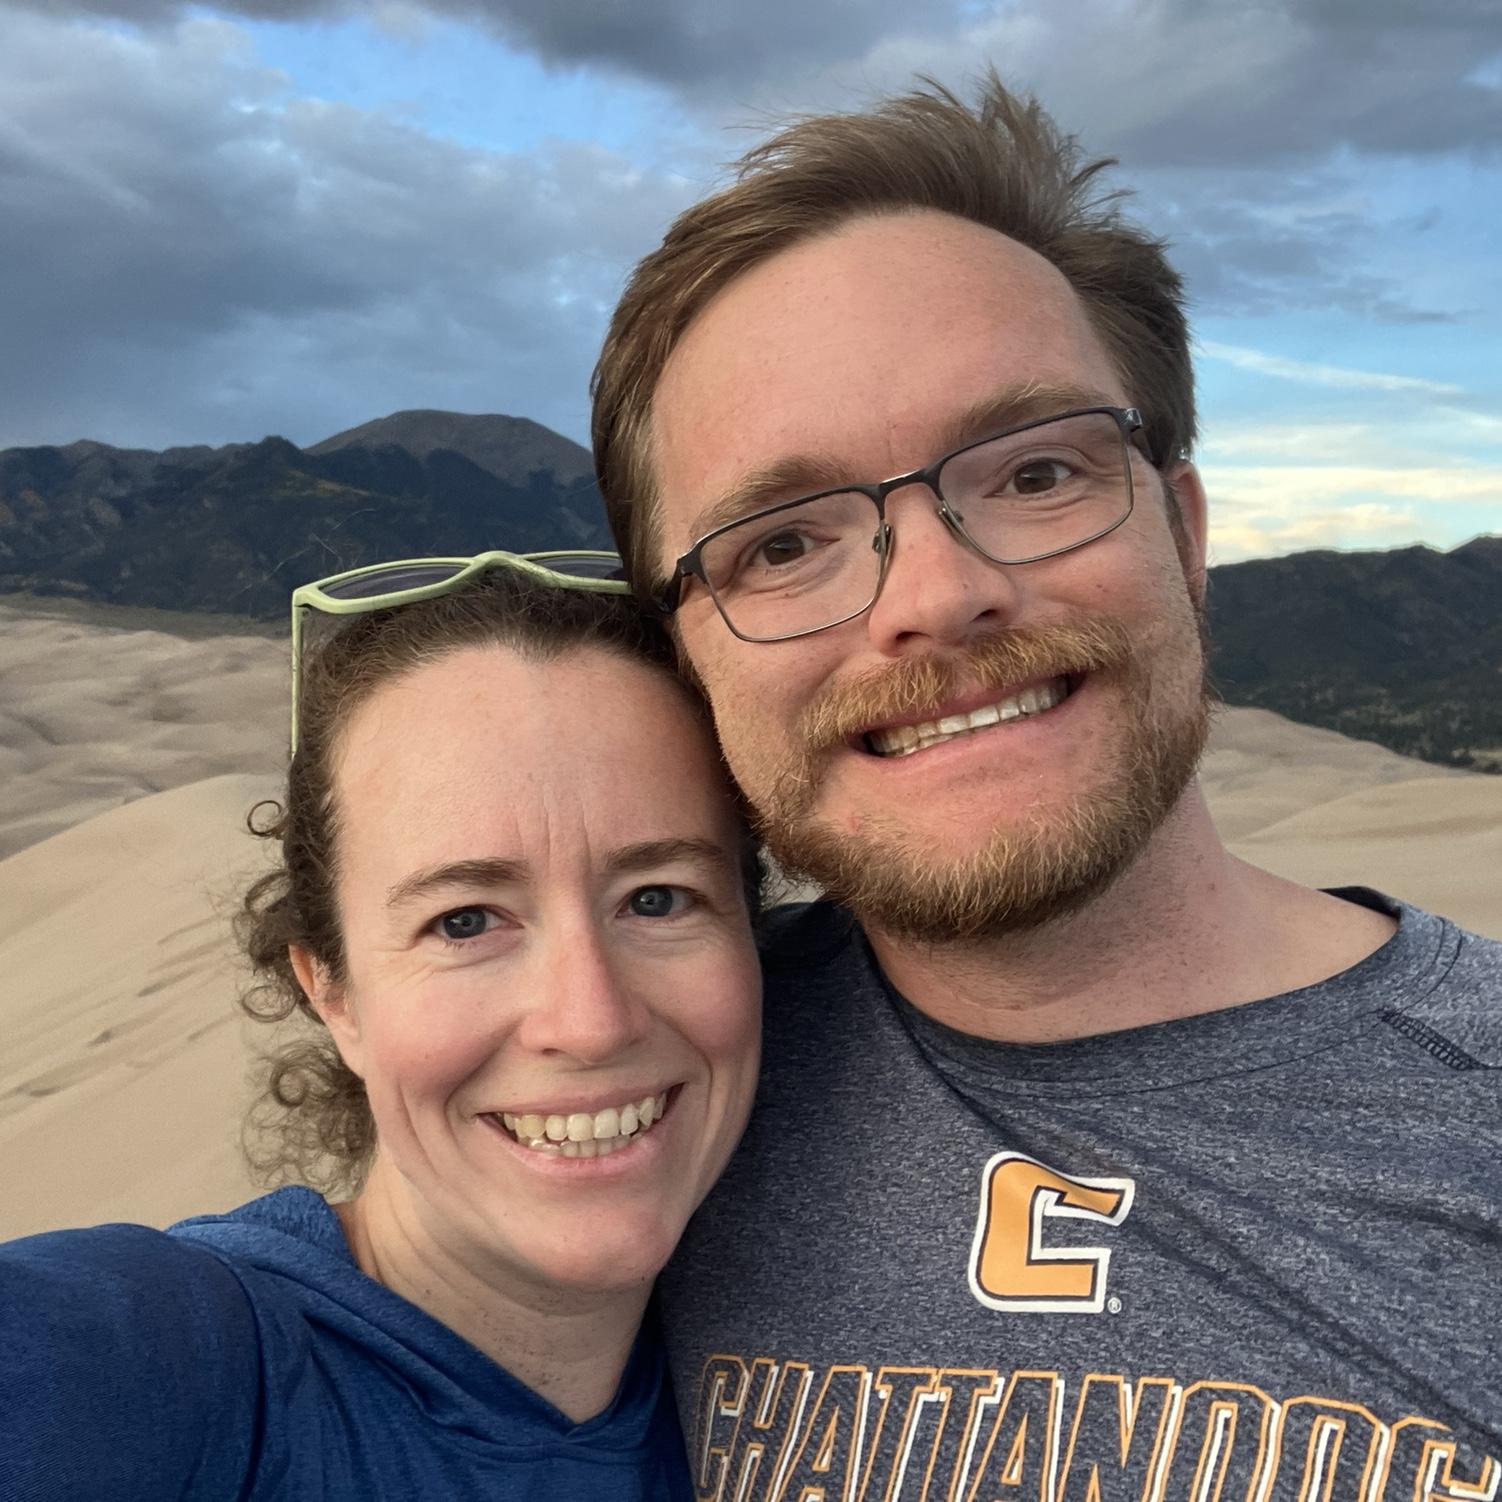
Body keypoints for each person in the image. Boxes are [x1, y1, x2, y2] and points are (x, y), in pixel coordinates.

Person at [590, 75, 1502, 1502]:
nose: (938, 597)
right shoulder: (637, 1091)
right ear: (683, 655)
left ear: (1183, 532)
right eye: (781, 545)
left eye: (1034, 472)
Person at [0, 553, 762, 1500]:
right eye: (465, 921)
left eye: (657, 898)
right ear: (334, 995)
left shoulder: (821, 1398)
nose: (592, 1020)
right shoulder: (161, 1364)